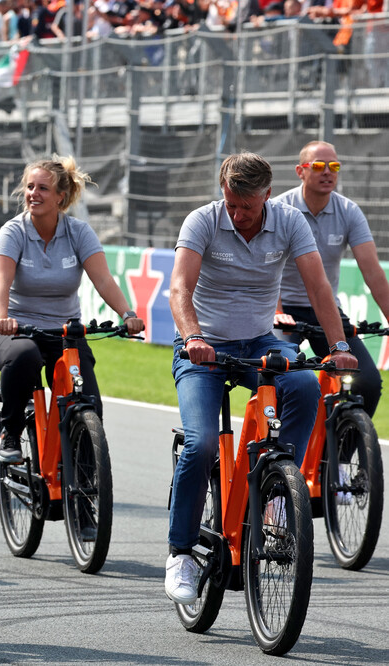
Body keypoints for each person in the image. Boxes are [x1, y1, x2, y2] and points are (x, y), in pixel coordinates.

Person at [166, 152, 357, 604]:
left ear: (267, 195)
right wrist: (192, 336)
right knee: (202, 444)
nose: (237, 213)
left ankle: (273, 487)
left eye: (246, 206)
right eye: (231, 203)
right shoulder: (202, 221)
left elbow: (318, 288)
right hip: (203, 347)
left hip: (258, 343)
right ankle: (180, 553)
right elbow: (179, 288)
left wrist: (340, 347)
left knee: (306, 384)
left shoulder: (289, 223)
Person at [0, 157, 144, 465]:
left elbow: (103, 280)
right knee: (25, 355)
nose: (33, 194)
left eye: (43, 188)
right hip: (15, 330)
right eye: (30, 187)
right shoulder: (13, 231)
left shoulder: (78, 232)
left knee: (89, 401)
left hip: (63, 332)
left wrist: (127, 314)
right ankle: (11, 433)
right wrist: (2, 318)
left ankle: (84, 474)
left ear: (61, 196)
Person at [274, 141, 389, 416]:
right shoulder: (279, 209)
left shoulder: (348, 211)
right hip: (282, 309)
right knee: (277, 377)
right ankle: (273, 451)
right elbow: (268, 269)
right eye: (319, 166)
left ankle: (337, 457)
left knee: (368, 383)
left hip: (325, 309)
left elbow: (372, 272)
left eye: (334, 166)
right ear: (300, 171)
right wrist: (276, 311)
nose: (328, 172)